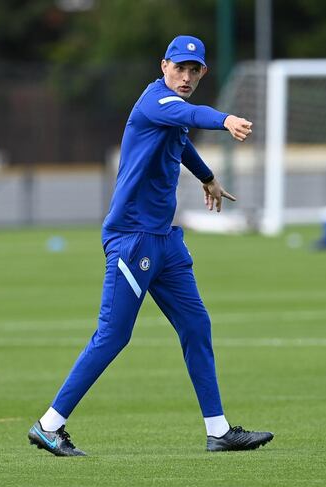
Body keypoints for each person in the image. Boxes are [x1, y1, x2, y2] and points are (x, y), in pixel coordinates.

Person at [28, 35, 273, 456]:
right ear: (164, 66)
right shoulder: (155, 102)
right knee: (113, 336)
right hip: (131, 238)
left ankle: (218, 430)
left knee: (197, 326)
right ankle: (49, 425)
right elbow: (190, 115)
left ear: (203, 73)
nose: (186, 76)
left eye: (194, 70)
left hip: (165, 240)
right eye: (179, 68)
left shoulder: (171, 114)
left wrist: (207, 176)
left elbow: (181, 139)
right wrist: (226, 118)